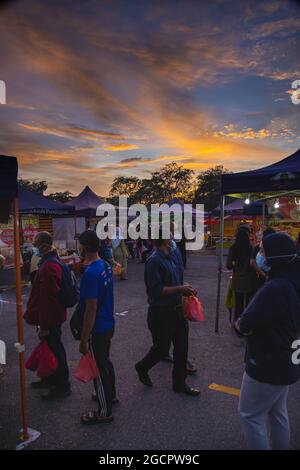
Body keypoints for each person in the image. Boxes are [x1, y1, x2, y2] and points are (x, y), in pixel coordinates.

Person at [236, 232, 300, 450]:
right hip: (287, 360)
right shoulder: (293, 279)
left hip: (267, 361)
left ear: (277, 257)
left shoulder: (275, 288)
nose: (260, 255)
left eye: (263, 251)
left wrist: (240, 325)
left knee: (251, 415)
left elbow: (245, 323)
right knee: (277, 412)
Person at [135, 231, 200, 396]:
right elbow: (155, 290)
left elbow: (174, 281)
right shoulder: (154, 261)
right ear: (164, 240)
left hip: (177, 309)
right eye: (170, 236)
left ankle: (179, 383)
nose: (173, 239)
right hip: (161, 313)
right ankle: (142, 366)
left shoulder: (170, 256)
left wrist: (186, 287)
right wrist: (180, 289)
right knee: (162, 349)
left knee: (182, 347)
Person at [24, 232, 71, 400]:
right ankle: (49, 378)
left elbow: (48, 300)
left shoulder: (49, 266)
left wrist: (43, 326)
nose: (34, 246)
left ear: (44, 244)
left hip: (51, 318)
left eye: (36, 243)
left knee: (56, 349)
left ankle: (62, 385)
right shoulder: (50, 262)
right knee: (50, 348)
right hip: (50, 316)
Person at [78, 230, 116, 424]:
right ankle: (111, 395)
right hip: (109, 323)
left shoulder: (91, 273)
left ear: (84, 247)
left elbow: (90, 309)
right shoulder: (106, 266)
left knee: (99, 370)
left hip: (98, 328)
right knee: (105, 361)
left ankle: (104, 410)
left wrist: (84, 339)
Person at [226, 227, 256, 321]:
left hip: (237, 280)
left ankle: (237, 324)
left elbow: (228, 265)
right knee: (248, 304)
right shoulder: (251, 248)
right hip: (250, 280)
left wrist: (235, 263)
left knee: (238, 304)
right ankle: (246, 324)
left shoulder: (233, 248)